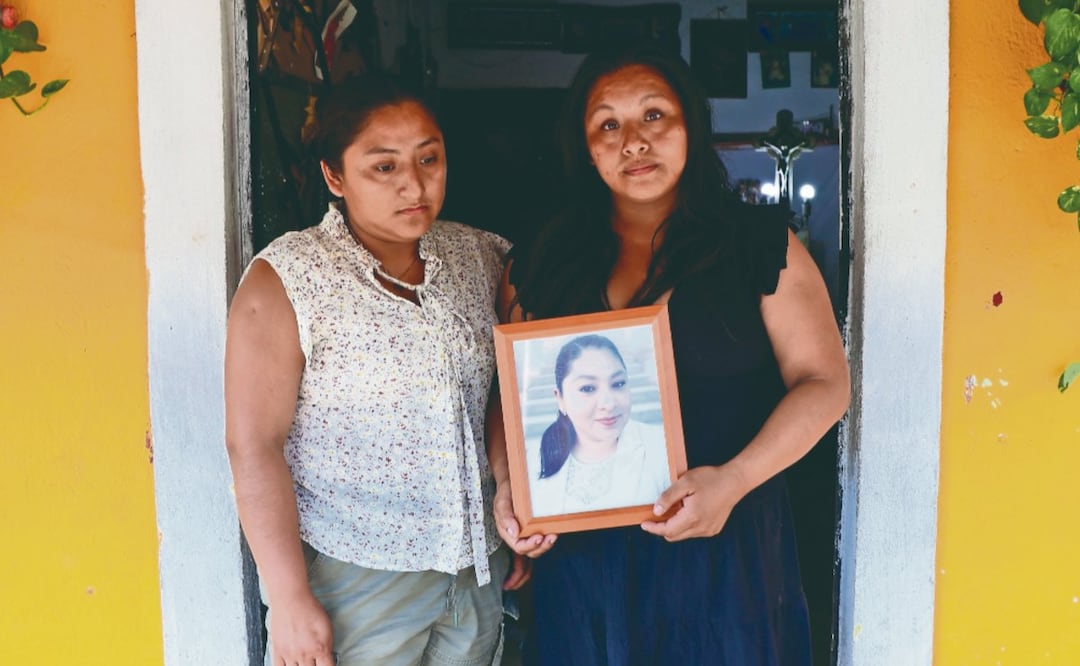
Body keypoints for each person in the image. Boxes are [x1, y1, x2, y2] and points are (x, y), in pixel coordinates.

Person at [487, 45, 850, 665]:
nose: (633, 141)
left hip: (726, 552)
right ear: (585, 146)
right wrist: (508, 487)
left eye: (654, 115)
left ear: (691, 125)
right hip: (584, 567)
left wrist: (733, 482)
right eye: (608, 124)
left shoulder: (761, 246)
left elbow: (825, 384)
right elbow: (510, 396)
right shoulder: (541, 261)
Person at [224, 72, 526, 666]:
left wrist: (512, 494)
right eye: (383, 167)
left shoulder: (480, 256)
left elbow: (508, 391)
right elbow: (252, 445)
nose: (414, 184)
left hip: (476, 569)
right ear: (334, 176)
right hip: (355, 577)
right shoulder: (289, 277)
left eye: (429, 159)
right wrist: (287, 598)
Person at [526, 334, 670, 517]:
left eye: (618, 384)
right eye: (587, 388)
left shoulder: (663, 447)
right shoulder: (531, 461)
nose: (608, 403)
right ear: (560, 398)